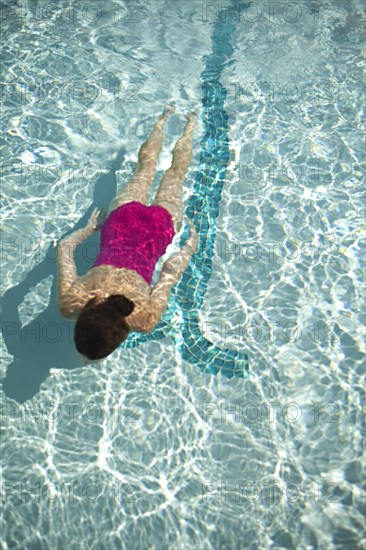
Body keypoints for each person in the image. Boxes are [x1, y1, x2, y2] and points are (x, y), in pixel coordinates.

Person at [57, 105, 198, 361]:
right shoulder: (71, 302)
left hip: (159, 230)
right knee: (145, 168)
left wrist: (189, 247)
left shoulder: (144, 320)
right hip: (122, 221)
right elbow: (65, 248)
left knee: (176, 175)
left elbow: (169, 273)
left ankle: (188, 125)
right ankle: (164, 119)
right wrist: (89, 229)